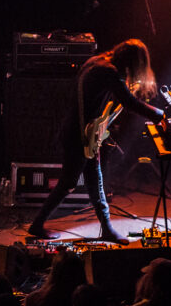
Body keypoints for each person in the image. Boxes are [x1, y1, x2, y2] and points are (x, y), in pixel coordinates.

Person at [28, 39, 164, 242]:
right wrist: (159, 115)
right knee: (69, 182)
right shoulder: (108, 71)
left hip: (82, 131)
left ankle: (107, 229)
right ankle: (37, 224)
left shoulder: (97, 61)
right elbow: (129, 102)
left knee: (94, 181)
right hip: (79, 134)